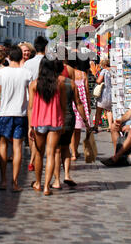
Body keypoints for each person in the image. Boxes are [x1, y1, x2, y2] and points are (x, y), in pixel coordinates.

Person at [0, 45, 32, 192]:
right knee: (17, 148)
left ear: (9, 58)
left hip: (4, 113)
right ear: (21, 57)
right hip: (20, 115)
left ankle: (3, 181)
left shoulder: (2, 73)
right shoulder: (27, 73)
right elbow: (31, 100)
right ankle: (15, 183)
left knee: (3, 146)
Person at [28, 58, 66, 196]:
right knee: (51, 154)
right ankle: (47, 188)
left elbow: (30, 107)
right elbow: (63, 106)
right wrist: (62, 122)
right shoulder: (59, 84)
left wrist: (30, 126)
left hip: (39, 122)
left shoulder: (34, 85)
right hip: (55, 121)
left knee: (39, 153)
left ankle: (38, 183)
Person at [52, 60, 91, 189]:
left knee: (56, 150)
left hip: (55, 118)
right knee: (65, 148)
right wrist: (85, 120)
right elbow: (79, 103)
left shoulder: (51, 83)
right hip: (69, 117)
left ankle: (57, 181)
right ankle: (67, 175)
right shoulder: (71, 83)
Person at [24, 35, 48, 171]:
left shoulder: (27, 64)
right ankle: (39, 157)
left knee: (32, 131)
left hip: (31, 100)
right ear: (45, 47)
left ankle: (33, 159)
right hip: (46, 100)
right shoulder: (49, 62)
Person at [68, 57, 91, 161]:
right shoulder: (83, 74)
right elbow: (87, 92)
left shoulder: (68, 73)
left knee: (72, 130)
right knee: (77, 130)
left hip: (71, 102)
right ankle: (75, 151)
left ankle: (72, 152)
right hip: (81, 103)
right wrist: (89, 106)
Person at [92, 59, 113, 133]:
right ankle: (110, 127)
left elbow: (99, 81)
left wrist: (96, 80)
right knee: (109, 110)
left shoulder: (104, 71)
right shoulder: (113, 70)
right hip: (112, 94)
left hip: (104, 93)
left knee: (99, 110)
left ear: (104, 65)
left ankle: (95, 127)